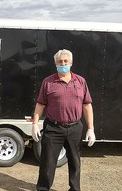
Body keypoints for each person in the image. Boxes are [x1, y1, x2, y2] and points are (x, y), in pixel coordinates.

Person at [32, 49, 96, 191]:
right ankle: (43, 188)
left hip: (75, 128)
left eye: (66, 61)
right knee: (47, 163)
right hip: (53, 128)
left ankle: (74, 189)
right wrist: (35, 124)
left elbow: (87, 105)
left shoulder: (80, 81)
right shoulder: (48, 82)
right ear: (55, 64)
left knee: (75, 162)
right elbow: (40, 104)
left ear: (71, 62)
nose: (63, 64)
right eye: (60, 62)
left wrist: (91, 128)